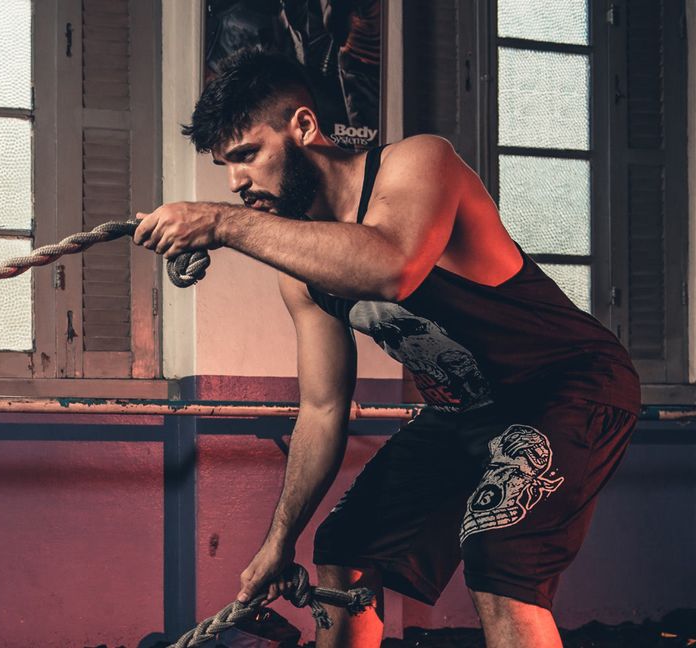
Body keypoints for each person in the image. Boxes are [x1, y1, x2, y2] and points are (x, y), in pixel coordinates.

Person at [133, 47, 639, 648]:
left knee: (499, 556)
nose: (236, 183)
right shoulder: (301, 271)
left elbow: (392, 266)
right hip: (463, 413)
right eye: (225, 165)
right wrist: (277, 543)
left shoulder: (418, 163)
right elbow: (323, 411)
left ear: (303, 126)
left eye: (246, 155)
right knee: (343, 549)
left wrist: (221, 223)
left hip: (568, 386)